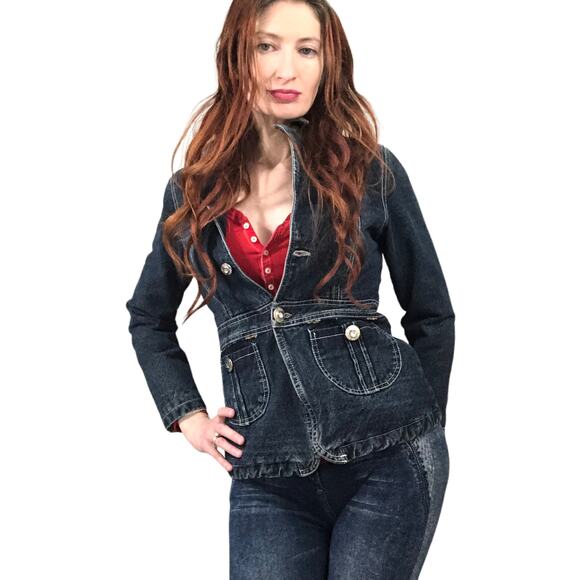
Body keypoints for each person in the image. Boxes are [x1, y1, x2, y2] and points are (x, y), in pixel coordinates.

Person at [126, 1, 456, 578]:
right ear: (236, 56)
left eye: (307, 50)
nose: (288, 69)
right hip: (267, 474)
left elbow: (431, 313)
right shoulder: (191, 193)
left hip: (387, 458)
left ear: (329, 64)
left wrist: (420, 419)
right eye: (266, 46)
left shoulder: (369, 171)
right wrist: (190, 418)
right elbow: (148, 318)